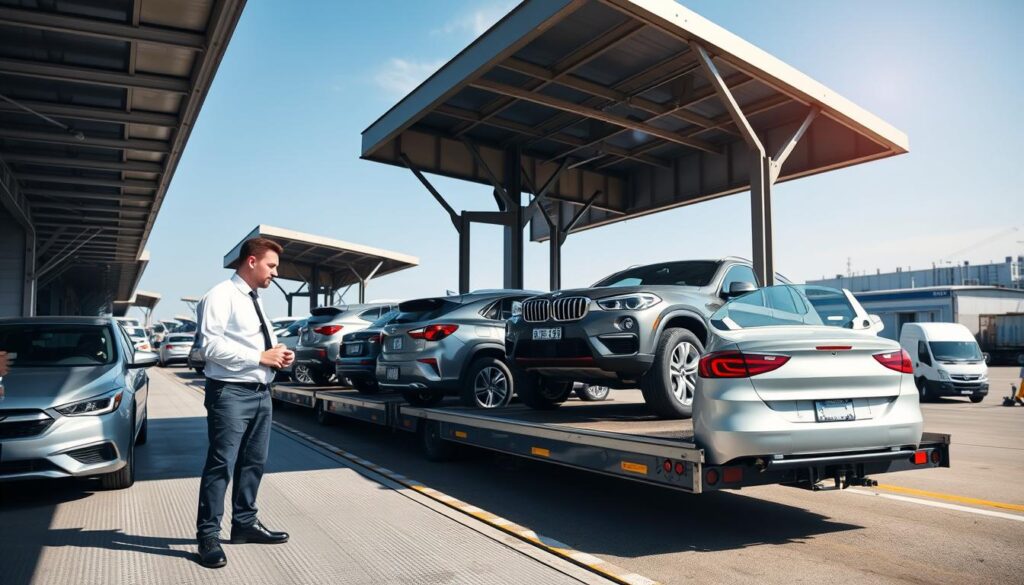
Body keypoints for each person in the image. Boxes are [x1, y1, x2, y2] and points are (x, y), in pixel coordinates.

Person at [194, 237, 294, 569]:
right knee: (221, 464)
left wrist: (277, 355)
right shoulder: (220, 296)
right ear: (251, 262)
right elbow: (210, 347)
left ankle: (244, 524)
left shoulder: (256, 299)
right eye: (271, 265)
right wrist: (258, 356)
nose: (275, 273)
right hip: (230, 394)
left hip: (260, 392)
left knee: (254, 462)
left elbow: (254, 345)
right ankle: (208, 536)